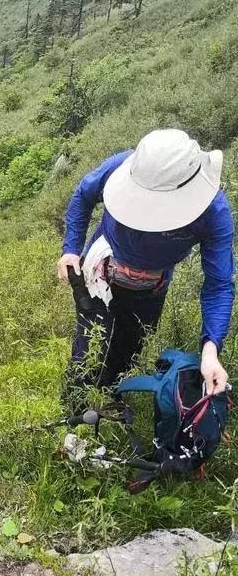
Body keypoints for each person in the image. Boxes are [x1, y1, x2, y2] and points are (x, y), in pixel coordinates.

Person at [58, 129, 235, 409]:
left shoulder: (213, 213)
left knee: (128, 352)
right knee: (88, 351)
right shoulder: (120, 165)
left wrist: (210, 350)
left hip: (151, 289)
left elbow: (219, 284)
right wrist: (70, 249)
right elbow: (83, 195)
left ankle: (107, 405)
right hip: (99, 274)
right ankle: (73, 415)